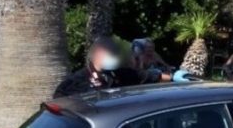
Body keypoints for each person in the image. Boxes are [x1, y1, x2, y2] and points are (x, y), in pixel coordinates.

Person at [54, 37, 189, 97]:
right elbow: (60, 100)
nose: (115, 57)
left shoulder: (118, 74)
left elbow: (148, 76)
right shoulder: (77, 80)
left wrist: (174, 77)